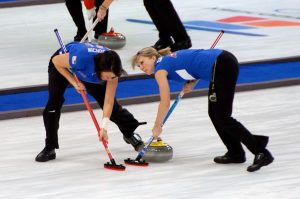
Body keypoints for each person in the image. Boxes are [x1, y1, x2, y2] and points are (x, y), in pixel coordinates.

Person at [131, 47, 274, 172]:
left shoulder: (160, 69)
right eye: (138, 66)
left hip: (222, 65)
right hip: (222, 63)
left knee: (223, 116)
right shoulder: (168, 60)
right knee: (215, 114)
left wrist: (157, 125)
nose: (141, 67)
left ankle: (261, 152)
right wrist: (193, 82)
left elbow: (165, 102)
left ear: (153, 57)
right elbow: (194, 63)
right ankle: (235, 152)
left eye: (142, 62)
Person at [35, 41, 145, 162]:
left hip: (85, 71)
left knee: (112, 108)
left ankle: (129, 133)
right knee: (53, 105)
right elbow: (56, 61)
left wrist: (104, 127)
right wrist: (74, 82)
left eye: (112, 77)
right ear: (99, 69)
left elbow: (108, 101)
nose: (110, 79)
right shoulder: (81, 58)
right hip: (62, 65)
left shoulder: (113, 71)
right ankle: (50, 147)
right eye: (107, 76)